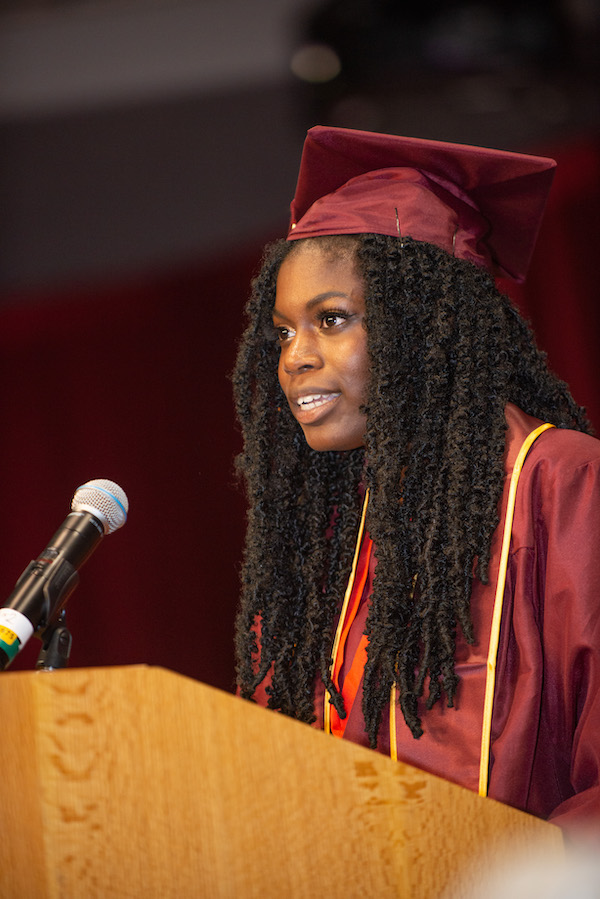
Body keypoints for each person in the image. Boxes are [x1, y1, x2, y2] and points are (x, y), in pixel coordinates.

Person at [233, 125, 600, 833]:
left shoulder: (562, 486)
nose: (294, 358)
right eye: (282, 332)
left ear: (422, 325)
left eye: (330, 320)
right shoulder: (329, 545)